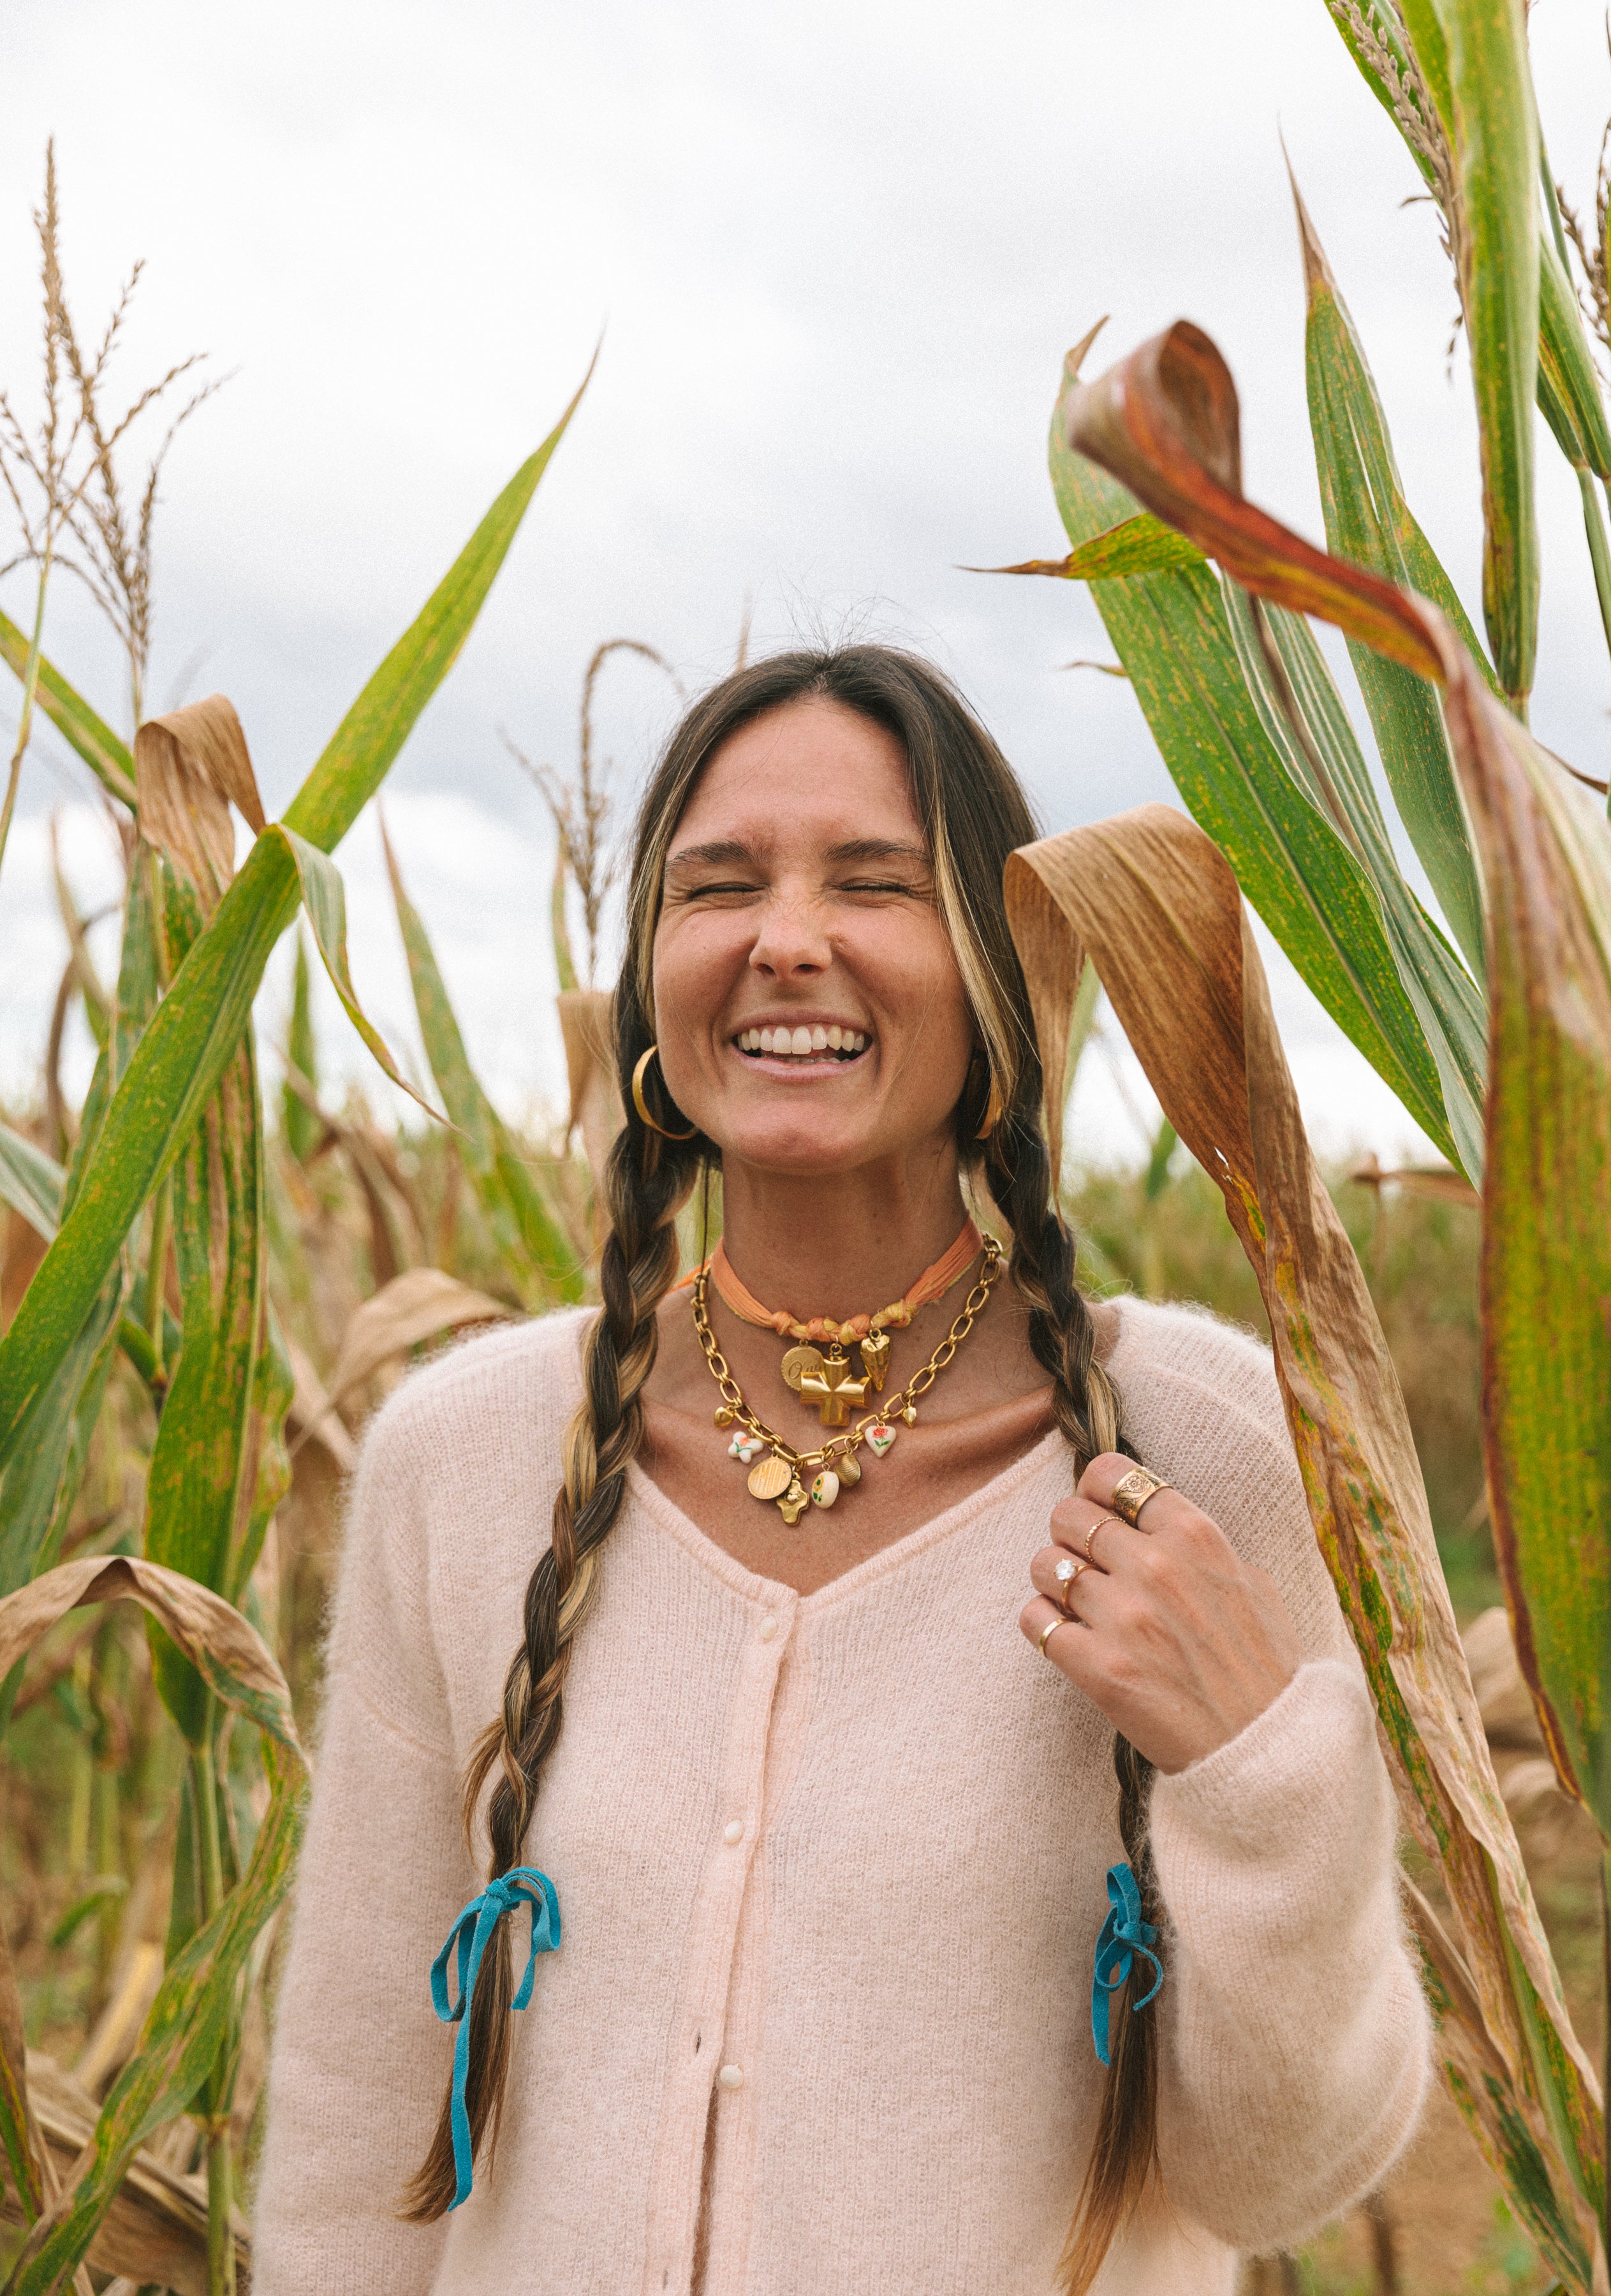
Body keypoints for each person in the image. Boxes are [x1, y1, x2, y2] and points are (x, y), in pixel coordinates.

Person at [254, 645, 1430, 2296]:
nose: (785, 938)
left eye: (874, 883)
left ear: (1000, 971)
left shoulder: (1204, 1450)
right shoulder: (461, 1461)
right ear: (650, 983)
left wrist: (1252, 1766)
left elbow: (1277, 2177)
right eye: (717, 885)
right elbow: (351, 2125)